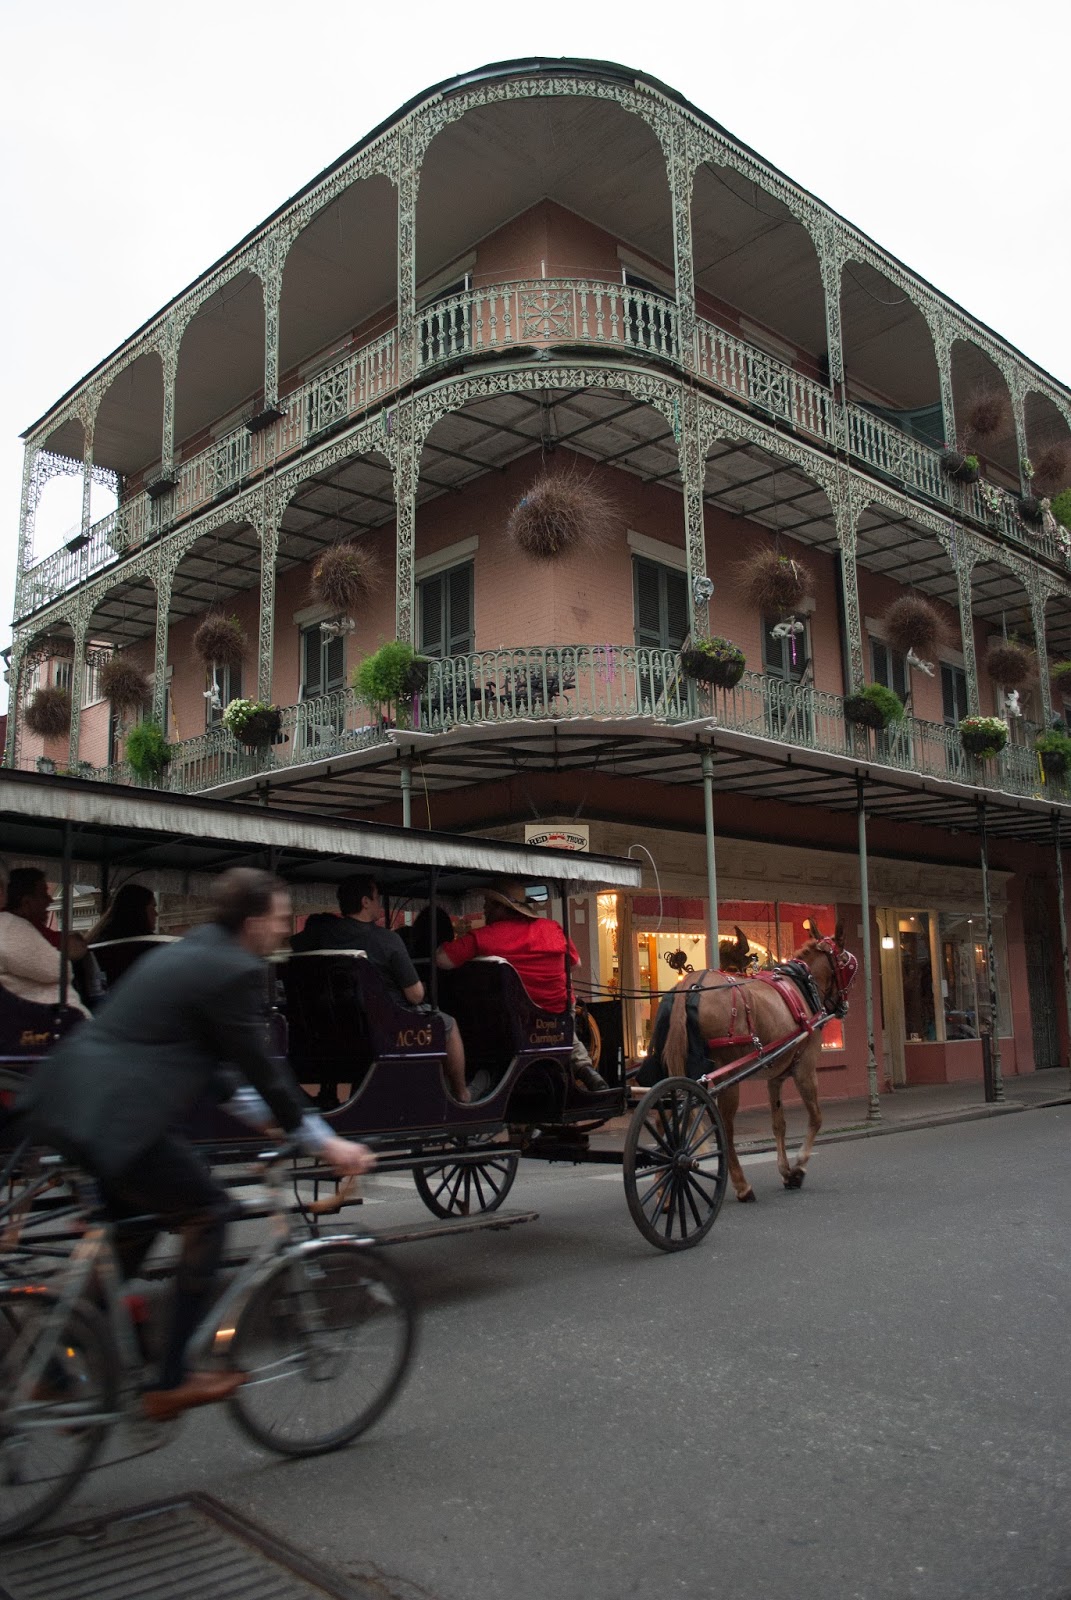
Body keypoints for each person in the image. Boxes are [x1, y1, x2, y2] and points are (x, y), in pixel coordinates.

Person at [18, 867, 373, 1422]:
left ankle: (49, 1366)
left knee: (126, 1241)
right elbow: (261, 1067)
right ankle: (171, 1379)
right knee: (209, 1213)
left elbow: (210, 1063)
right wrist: (323, 1140)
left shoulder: (188, 953)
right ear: (254, 923)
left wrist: (264, 1118)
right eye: (281, 921)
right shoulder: (233, 970)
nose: (285, 932)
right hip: (123, 1121)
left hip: (75, 1104)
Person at [293, 875, 469, 1102]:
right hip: (385, 1022)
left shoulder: (321, 933)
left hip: (330, 1021)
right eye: (377, 899)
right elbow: (415, 996)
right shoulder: (387, 940)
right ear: (365, 902)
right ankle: (462, 1094)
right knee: (449, 1024)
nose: (378, 904)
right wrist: (420, 987)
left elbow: (291, 947)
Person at [436, 879, 607, 1091]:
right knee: (564, 1029)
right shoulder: (552, 928)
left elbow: (442, 960)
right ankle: (584, 1067)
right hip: (557, 1013)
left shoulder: (484, 937)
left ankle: (476, 1081)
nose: (483, 909)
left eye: (488, 903)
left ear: (501, 907)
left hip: (514, 1018)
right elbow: (576, 963)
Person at [0, 867, 90, 1018]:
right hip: (44, 1024)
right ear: (26, 902)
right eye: (43, 894)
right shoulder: (11, 927)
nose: (50, 900)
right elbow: (59, 968)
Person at [87, 883, 158, 944]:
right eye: (153, 907)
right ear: (140, 910)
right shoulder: (150, 946)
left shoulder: (97, 940)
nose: (156, 913)